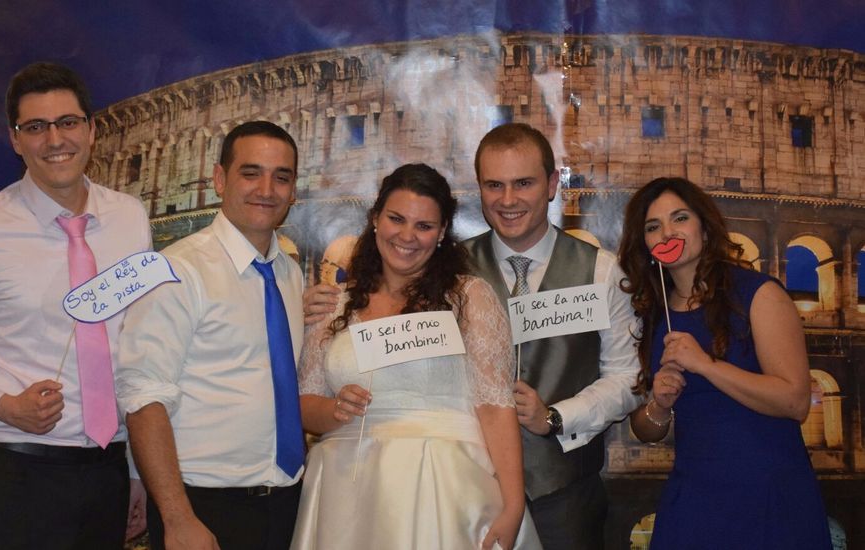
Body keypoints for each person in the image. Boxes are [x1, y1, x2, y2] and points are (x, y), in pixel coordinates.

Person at [304, 123, 639, 549]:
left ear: (553, 184)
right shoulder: (449, 270)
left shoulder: (600, 270)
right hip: (458, 489)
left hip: (563, 492)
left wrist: (556, 416)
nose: (508, 199)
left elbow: (626, 377)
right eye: (494, 185)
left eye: (524, 183)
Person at [0, 62, 151, 549]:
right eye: (36, 127)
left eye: (67, 122)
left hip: (108, 474)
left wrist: (136, 470)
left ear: (91, 130)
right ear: (15, 139)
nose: (55, 140)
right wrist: (0, 405)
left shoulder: (130, 218)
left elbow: (136, 348)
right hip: (13, 474)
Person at [291, 163, 540, 550]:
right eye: (396, 219)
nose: (407, 236)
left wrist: (512, 505)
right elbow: (305, 403)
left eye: (424, 226)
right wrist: (334, 409)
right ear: (376, 219)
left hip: (443, 489)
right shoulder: (332, 307)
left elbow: (494, 405)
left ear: (441, 234)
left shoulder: (468, 297)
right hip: (346, 492)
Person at [117, 120, 305, 550]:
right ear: (220, 179)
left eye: (282, 177)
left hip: (287, 501)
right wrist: (178, 517)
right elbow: (143, 398)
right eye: (250, 172)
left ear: (294, 191)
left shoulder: (289, 275)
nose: (267, 189)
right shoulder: (179, 271)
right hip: (204, 508)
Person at [617, 177, 831, 549]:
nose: (668, 232)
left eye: (680, 218)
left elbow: (795, 401)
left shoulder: (759, 294)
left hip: (769, 495)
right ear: (646, 244)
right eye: (653, 226)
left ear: (704, 225)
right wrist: (660, 404)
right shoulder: (654, 315)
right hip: (694, 497)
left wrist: (705, 365)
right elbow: (646, 428)